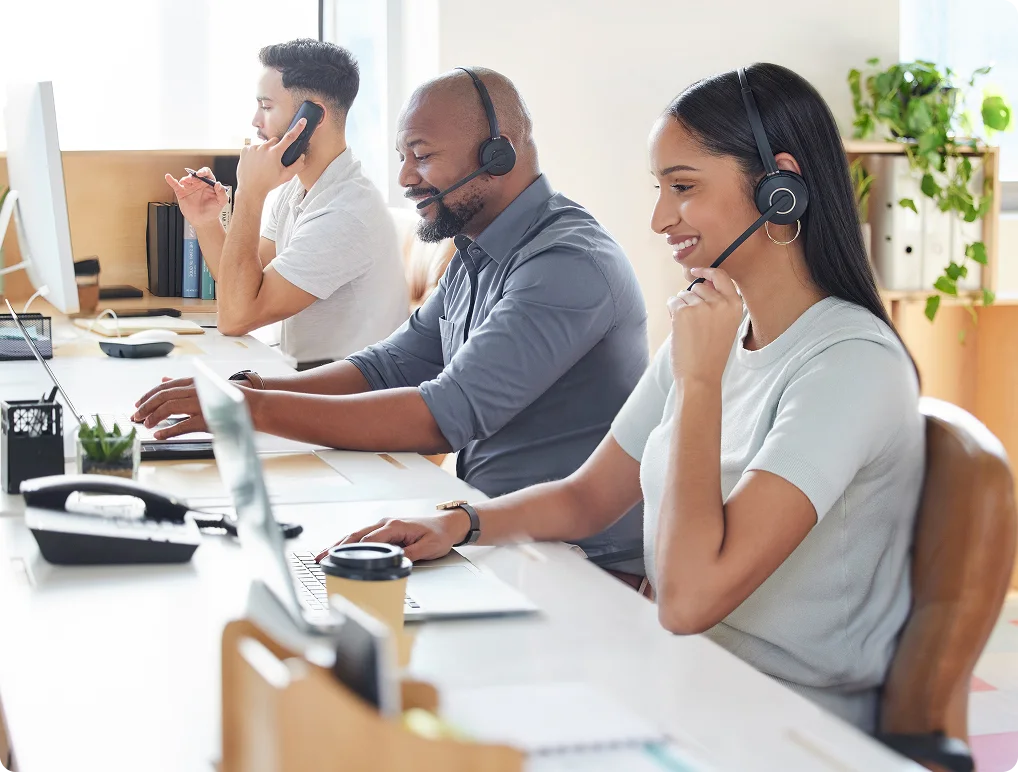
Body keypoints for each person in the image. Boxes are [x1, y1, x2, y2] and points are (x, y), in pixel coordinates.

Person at [322, 63, 925, 733]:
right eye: (660, 188)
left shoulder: (849, 364)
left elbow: (690, 600)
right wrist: (459, 523)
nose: (660, 218)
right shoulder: (716, 325)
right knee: (408, 697)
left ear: (780, 186)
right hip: (670, 673)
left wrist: (699, 384)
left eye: (684, 187)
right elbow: (587, 497)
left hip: (774, 721)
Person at [134, 67, 649, 575]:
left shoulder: (565, 265)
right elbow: (392, 365)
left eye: (421, 157)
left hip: (576, 561)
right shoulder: (480, 247)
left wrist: (250, 409)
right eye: (403, 158)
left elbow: (441, 418)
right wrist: (257, 387)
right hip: (483, 527)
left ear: (500, 152)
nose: (404, 178)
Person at [164, 38, 408, 369]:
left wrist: (250, 192)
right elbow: (246, 285)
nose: (254, 120)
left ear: (311, 117)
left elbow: (236, 316)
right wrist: (207, 222)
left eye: (266, 106)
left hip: (346, 404)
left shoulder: (346, 213)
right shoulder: (300, 189)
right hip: (307, 383)